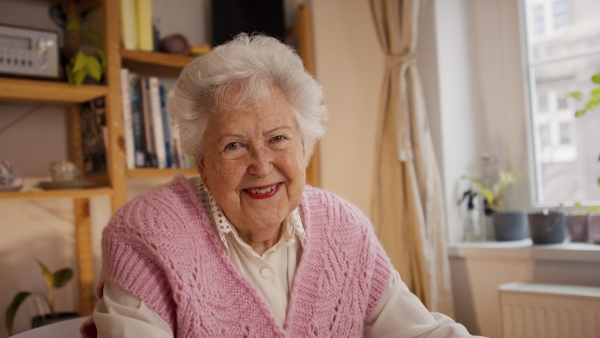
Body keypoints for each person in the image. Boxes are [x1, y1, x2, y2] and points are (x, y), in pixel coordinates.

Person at [81, 33, 477, 337]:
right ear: (202, 162)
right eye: (234, 145)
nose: (261, 164)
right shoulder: (147, 234)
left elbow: (417, 330)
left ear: (304, 146)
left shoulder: (344, 228)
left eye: (278, 138)